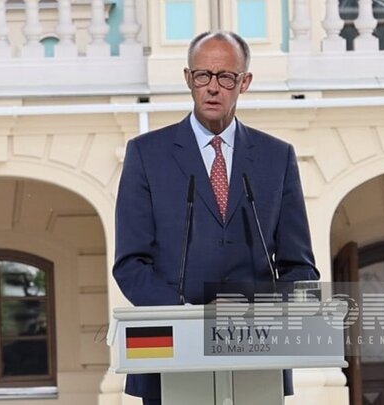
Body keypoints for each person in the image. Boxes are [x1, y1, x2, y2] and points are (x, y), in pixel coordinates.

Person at [113, 30, 318, 405]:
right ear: (188, 78)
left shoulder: (277, 158)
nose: (212, 87)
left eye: (225, 77)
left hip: (257, 358)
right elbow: (130, 264)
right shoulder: (147, 154)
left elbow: (300, 268)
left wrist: (264, 315)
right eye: (203, 75)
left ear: (245, 82)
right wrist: (191, 316)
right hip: (170, 355)